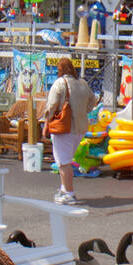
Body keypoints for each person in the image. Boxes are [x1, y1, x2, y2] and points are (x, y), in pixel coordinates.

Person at [44, 59, 99, 205]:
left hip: (64, 127)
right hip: (80, 128)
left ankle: (69, 193)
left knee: (63, 162)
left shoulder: (60, 83)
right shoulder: (83, 83)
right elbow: (93, 100)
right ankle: (64, 188)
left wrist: (46, 123)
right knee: (67, 159)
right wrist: (83, 111)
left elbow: (51, 105)